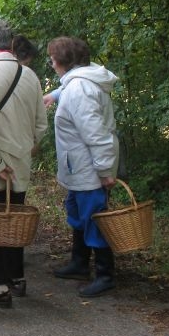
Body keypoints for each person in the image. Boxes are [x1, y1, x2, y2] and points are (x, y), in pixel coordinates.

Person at [0, 21, 48, 308]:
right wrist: (25, 149)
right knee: (14, 220)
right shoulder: (29, 76)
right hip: (20, 161)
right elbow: (41, 125)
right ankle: (16, 277)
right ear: (11, 44)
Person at [48, 36, 120, 297]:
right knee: (78, 213)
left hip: (90, 170)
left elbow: (96, 135)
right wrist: (53, 95)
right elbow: (70, 92)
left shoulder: (79, 89)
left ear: (61, 61)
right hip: (79, 167)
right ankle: (79, 263)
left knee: (94, 219)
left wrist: (105, 171)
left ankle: (105, 274)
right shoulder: (78, 83)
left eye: (52, 59)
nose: (51, 63)